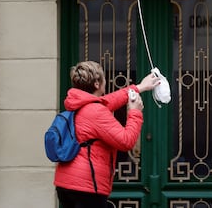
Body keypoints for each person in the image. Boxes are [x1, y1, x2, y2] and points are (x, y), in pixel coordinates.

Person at [54, 60, 160, 208]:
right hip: (86, 187)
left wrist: (140, 87)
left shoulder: (79, 104)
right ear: (97, 84)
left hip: (67, 182)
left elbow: (109, 101)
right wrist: (135, 112)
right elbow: (126, 141)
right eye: (104, 78)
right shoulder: (96, 111)